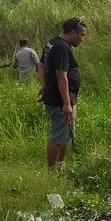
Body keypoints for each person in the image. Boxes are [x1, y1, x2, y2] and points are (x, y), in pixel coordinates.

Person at [38, 18, 87, 170]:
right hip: (60, 100)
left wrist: (44, 85)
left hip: (59, 96)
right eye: (81, 35)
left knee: (66, 134)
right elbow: (61, 76)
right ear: (73, 32)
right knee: (58, 135)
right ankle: (52, 171)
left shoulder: (51, 43)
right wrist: (66, 103)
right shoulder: (61, 47)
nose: (82, 39)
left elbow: (41, 65)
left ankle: (60, 167)